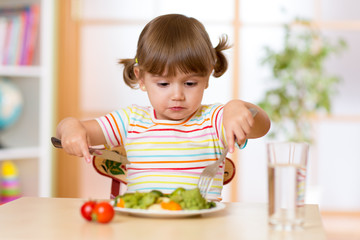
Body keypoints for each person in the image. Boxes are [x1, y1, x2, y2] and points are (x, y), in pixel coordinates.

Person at [56, 14, 271, 201]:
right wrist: (70, 128)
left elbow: (262, 127)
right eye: (163, 84)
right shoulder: (131, 120)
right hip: (143, 226)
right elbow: (79, 129)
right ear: (141, 78)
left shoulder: (214, 120)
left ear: (207, 76)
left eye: (190, 83)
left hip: (202, 229)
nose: (177, 95)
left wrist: (237, 107)